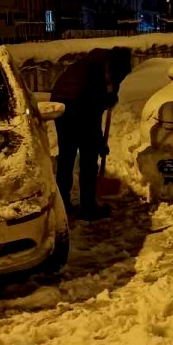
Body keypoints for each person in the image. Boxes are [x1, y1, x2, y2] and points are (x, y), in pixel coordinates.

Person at [50, 47, 133, 221]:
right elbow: (91, 113)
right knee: (88, 157)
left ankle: (63, 204)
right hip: (77, 104)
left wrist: (99, 140)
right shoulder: (100, 72)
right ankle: (88, 207)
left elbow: (93, 111)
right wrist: (98, 143)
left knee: (67, 155)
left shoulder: (93, 63)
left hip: (59, 103)